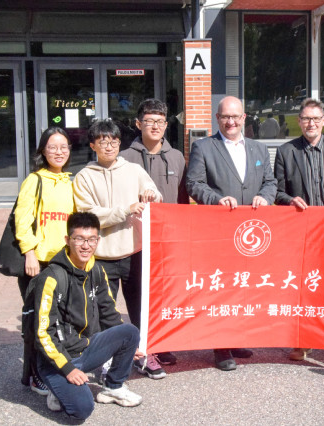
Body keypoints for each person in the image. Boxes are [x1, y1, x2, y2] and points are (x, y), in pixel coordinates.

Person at [186, 95, 277, 370]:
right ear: (217, 118)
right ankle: (221, 346)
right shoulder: (203, 147)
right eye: (225, 116)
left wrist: (265, 197)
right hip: (220, 232)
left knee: (244, 287)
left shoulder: (259, 149)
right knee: (222, 288)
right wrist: (216, 200)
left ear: (244, 118)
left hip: (252, 233)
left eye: (235, 116)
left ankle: (237, 337)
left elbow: (270, 182)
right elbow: (194, 183)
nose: (231, 122)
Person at [73, 119, 166, 379]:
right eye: (103, 141)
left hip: (135, 252)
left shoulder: (134, 170)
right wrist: (125, 210)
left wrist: (150, 194)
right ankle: (107, 360)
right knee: (104, 312)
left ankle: (145, 353)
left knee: (141, 309)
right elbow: (88, 215)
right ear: (92, 145)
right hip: (102, 256)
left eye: (114, 141)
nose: (109, 146)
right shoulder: (83, 177)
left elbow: (155, 193)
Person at [34, 212, 142, 419]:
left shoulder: (97, 271)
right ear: (68, 240)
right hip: (57, 360)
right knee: (82, 410)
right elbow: (43, 333)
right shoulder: (51, 277)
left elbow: (109, 312)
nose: (86, 246)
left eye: (91, 239)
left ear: (98, 241)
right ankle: (56, 388)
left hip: (85, 348)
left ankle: (113, 387)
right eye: (79, 239)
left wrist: (128, 346)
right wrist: (67, 369)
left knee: (129, 332)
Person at [273, 98, 324, 361]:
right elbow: (276, 191)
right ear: (299, 122)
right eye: (306, 118)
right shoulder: (286, 151)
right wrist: (289, 200)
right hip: (302, 233)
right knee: (303, 287)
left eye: (316, 119)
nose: (311, 123)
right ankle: (303, 342)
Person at [120, 98, 189, 367]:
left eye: (160, 121)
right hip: (135, 239)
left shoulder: (177, 157)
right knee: (137, 292)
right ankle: (142, 345)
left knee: (165, 291)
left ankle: (162, 342)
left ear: (166, 124)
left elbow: (182, 200)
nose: (155, 126)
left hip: (167, 239)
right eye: (149, 121)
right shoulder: (125, 158)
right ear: (139, 124)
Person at [15, 127, 74, 395]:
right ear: (43, 151)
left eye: (63, 147)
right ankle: (34, 375)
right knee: (37, 323)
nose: (59, 152)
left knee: (56, 321)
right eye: (52, 147)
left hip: (63, 263)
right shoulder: (34, 180)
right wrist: (29, 252)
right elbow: (22, 221)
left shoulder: (70, 181)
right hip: (38, 263)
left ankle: (54, 369)